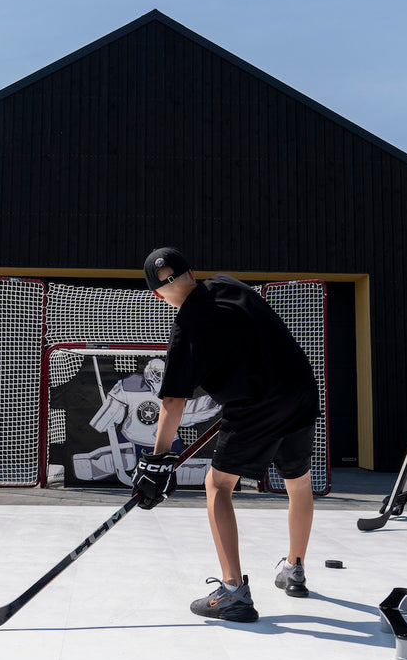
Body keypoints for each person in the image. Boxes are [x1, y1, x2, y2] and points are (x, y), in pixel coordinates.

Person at [131, 247, 320, 622]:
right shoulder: (227, 284)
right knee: (298, 481)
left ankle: (233, 592)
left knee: (217, 485)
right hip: (299, 390)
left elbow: (173, 401)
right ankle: (295, 568)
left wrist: (158, 459)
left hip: (256, 405)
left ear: (157, 295)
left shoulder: (186, 325)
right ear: (192, 272)